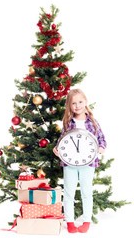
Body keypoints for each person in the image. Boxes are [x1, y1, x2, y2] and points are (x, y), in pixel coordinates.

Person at [53, 89, 107, 233]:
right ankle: (70, 222)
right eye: (73, 103)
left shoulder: (93, 122)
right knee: (69, 192)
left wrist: (101, 148)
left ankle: (86, 221)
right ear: (69, 106)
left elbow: (102, 139)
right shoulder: (68, 123)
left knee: (86, 192)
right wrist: (57, 149)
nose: (77, 106)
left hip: (88, 163)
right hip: (69, 164)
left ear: (86, 102)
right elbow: (62, 141)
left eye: (80, 102)